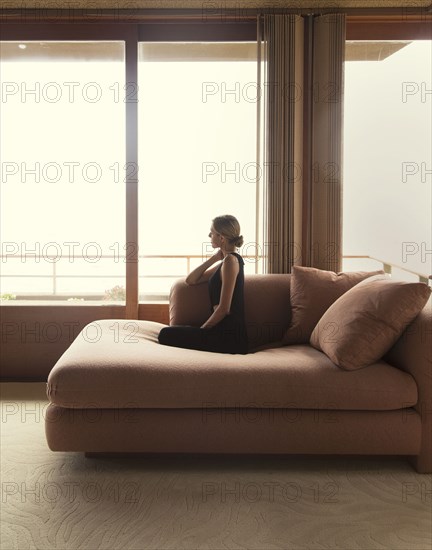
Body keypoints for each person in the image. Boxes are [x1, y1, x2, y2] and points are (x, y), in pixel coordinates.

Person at [158, 215, 249, 354]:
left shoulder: (231, 261)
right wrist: (213, 259)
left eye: (212, 232)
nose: (209, 235)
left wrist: (202, 331)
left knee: (165, 334)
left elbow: (225, 308)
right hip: (220, 332)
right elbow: (191, 280)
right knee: (169, 332)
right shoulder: (226, 262)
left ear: (222, 238)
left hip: (229, 338)